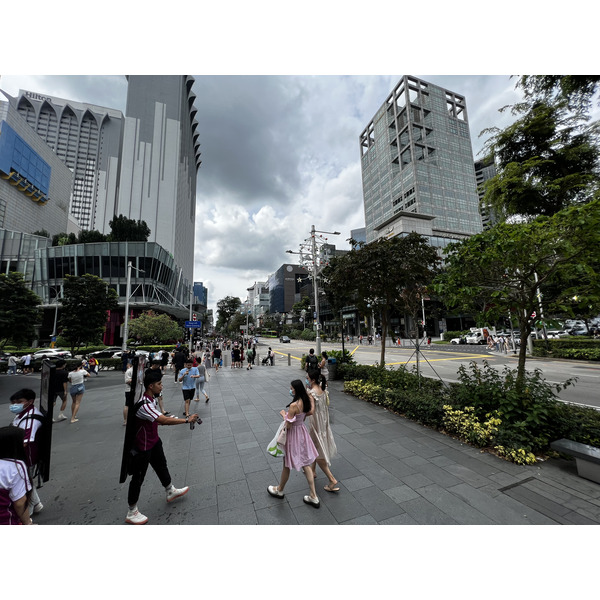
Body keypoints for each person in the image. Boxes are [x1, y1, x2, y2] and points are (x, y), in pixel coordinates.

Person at [125, 370, 199, 525]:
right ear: (150, 386)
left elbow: (158, 419)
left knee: (161, 466)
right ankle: (132, 511)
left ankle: (170, 490)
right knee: (138, 478)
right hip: (142, 446)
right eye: (159, 384)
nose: (162, 386)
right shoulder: (144, 404)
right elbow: (162, 420)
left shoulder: (151, 399)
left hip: (153, 441)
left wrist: (170, 419)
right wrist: (186, 421)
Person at [267, 379, 320, 508]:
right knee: (306, 463)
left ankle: (279, 490)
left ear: (295, 389)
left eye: (291, 388)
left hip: (293, 436)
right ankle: (313, 495)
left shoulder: (294, 405)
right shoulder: (306, 401)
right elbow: (310, 412)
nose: (290, 390)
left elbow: (289, 425)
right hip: (302, 432)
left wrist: (284, 414)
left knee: (286, 463)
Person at [9, 388, 44, 515]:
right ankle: (37, 504)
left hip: (26, 456)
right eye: (13, 402)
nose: (14, 405)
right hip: (20, 455)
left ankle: (26, 515)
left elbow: (25, 442)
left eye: (19, 402)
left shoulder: (30, 419)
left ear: (30, 401)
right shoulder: (22, 414)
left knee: (23, 484)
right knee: (27, 480)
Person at [306, 369, 339, 493]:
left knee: (319, 453)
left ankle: (332, 480)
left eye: (308, 378)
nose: (307, 380)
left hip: (316, 425)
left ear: (312, 380)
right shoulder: (322, 388)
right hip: (323, 423)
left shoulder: (312, 393)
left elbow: (311, 410)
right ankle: (313, 471)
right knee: (315, 446)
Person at [0, 426, 33, 525]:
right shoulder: (16, 466)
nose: (25, 444)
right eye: (22, 441)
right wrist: (28, 523)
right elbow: (19, 502)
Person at [124, 361, 133, 426]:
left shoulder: (138, 370)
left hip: (136, 390)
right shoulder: (129, 371)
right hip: (129, 390)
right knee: (127, 405)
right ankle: (125, 420)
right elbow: (127, 381)